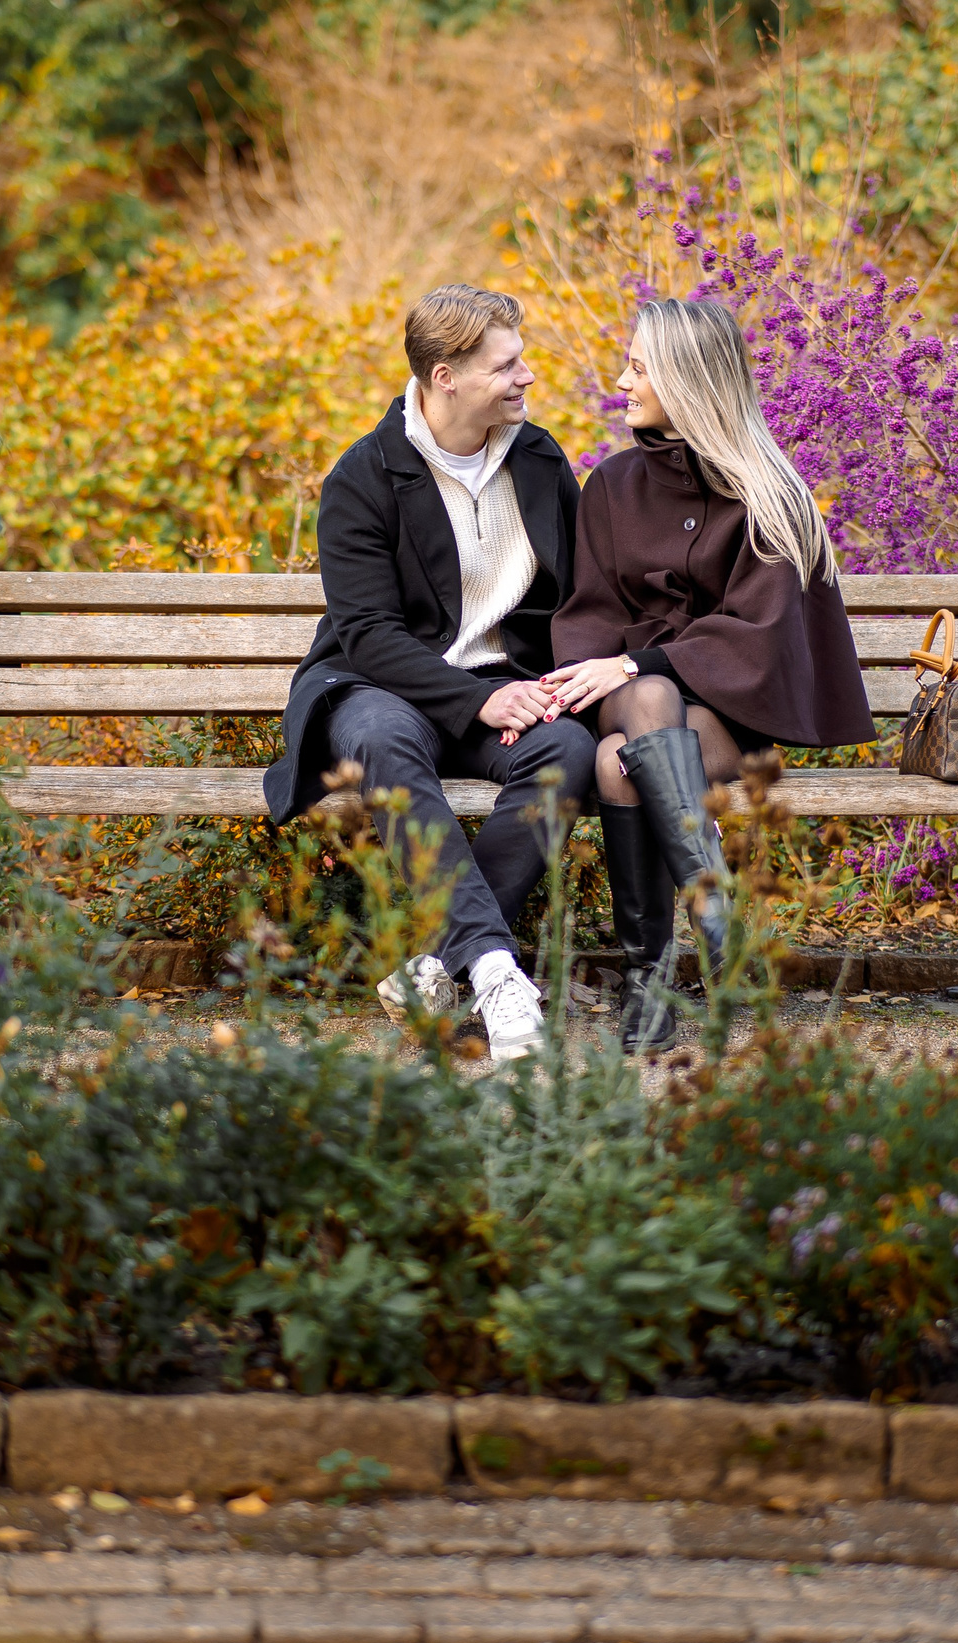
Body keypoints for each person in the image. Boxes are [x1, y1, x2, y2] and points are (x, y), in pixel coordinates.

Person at [263, 284, 596, 1061]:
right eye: (506, 365)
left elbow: (581, 591)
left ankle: (438, 965)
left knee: (567, 753)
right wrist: (478, 702)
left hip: (500, 687)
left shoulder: (540, 461)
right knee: (379, 736)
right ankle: (492, 965)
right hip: (384, 689)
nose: (527, 377)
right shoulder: (365, 476)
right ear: (445, 376)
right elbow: (369, 633)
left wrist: (573, 682)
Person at [543, 297, 876, 1050]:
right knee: (645, 700)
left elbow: (762, 637)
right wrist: (618, 664)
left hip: (737, 714)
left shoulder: (768, 494)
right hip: (632, 701)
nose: (621, 380)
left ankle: (650, 988)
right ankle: (710, 902)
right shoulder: (612, 486)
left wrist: (641, 659)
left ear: (688, 380)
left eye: (639, 366)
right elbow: (590, 611)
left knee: (616, 760)